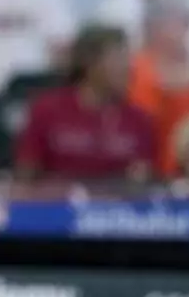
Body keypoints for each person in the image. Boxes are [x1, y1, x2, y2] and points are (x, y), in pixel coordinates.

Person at [15, 26, 156, 182]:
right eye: (118, 58)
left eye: (128, 59)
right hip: (55, 202)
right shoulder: (47, 110)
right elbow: (26, 175)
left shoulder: (138, 120)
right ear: (89, 62)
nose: (128, 68)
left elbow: (144, 181)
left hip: (113, 205)